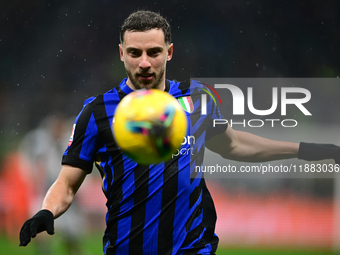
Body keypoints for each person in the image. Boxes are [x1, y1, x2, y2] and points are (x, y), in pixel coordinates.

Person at [19, 10, 340, 255]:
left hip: (194, 245)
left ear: (169, 52)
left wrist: (303, 149)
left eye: (154, 52)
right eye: (135, 53)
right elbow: (67, 182)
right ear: (121, 54)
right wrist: (47, 210)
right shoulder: (98, 111)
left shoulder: (198, 98)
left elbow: (234, 144)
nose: (145, 63)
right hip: (127, 246)